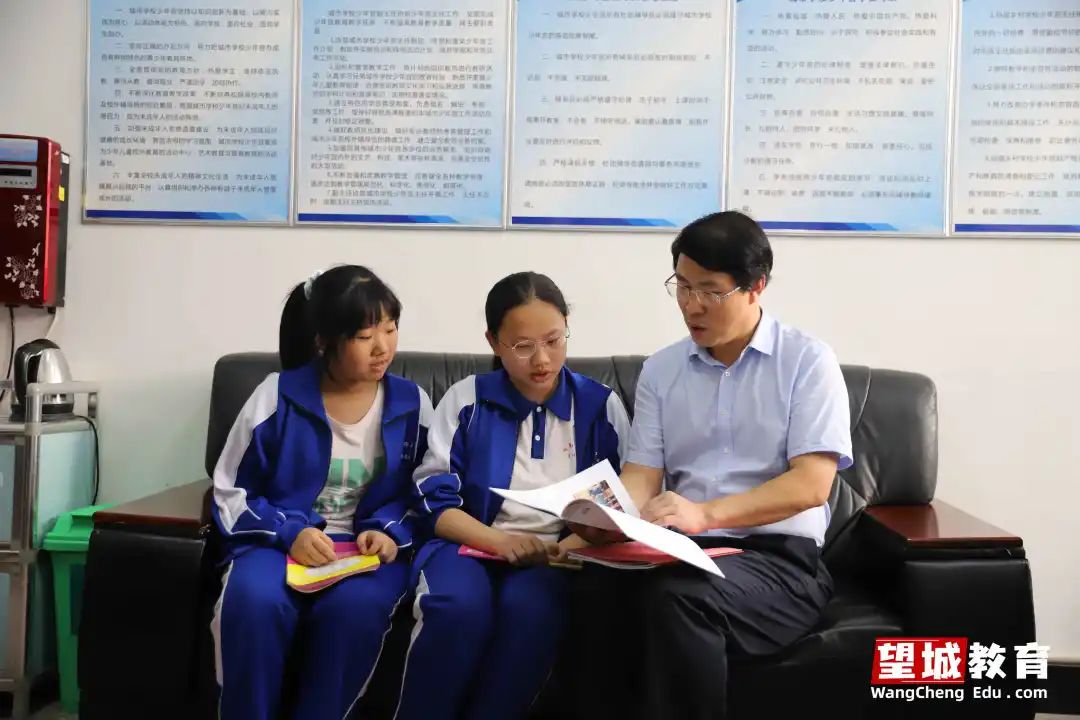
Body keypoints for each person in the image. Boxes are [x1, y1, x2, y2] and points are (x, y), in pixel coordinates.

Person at [569, 211, 853, 720]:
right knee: (592, 588)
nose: (691, 305)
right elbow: (641, 477)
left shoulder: (808, 362)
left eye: (710, 291)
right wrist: (600, 519)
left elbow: (811, 485)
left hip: (778, 562)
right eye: (682, 286)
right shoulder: (663, 370)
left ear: (756, 287)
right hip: (679, 552)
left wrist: (704, 515)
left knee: (677, 599)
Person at [393, 271, 630, 720]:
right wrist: (499, 542)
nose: (542, 359)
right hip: (468, 544)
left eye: (554, 341)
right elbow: (433, 501)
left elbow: (619, 500)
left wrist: (565, 546)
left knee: (532, 611)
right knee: (456, 607)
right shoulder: (468, 401)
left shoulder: (599, 406)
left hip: (555, 554)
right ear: (494, 342)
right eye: (522, 346)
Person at [209, 265, 433, 720]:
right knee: (253, 603)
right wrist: (289, 532)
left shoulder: (413, 404)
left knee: (355, 611)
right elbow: (230, 490)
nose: (383, 347)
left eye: (390, 328)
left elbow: (427, 491)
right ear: (324, 341)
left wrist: (390, 532)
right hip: (276, 543)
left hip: (365, 552)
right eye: (365, 335)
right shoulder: (276, 396)